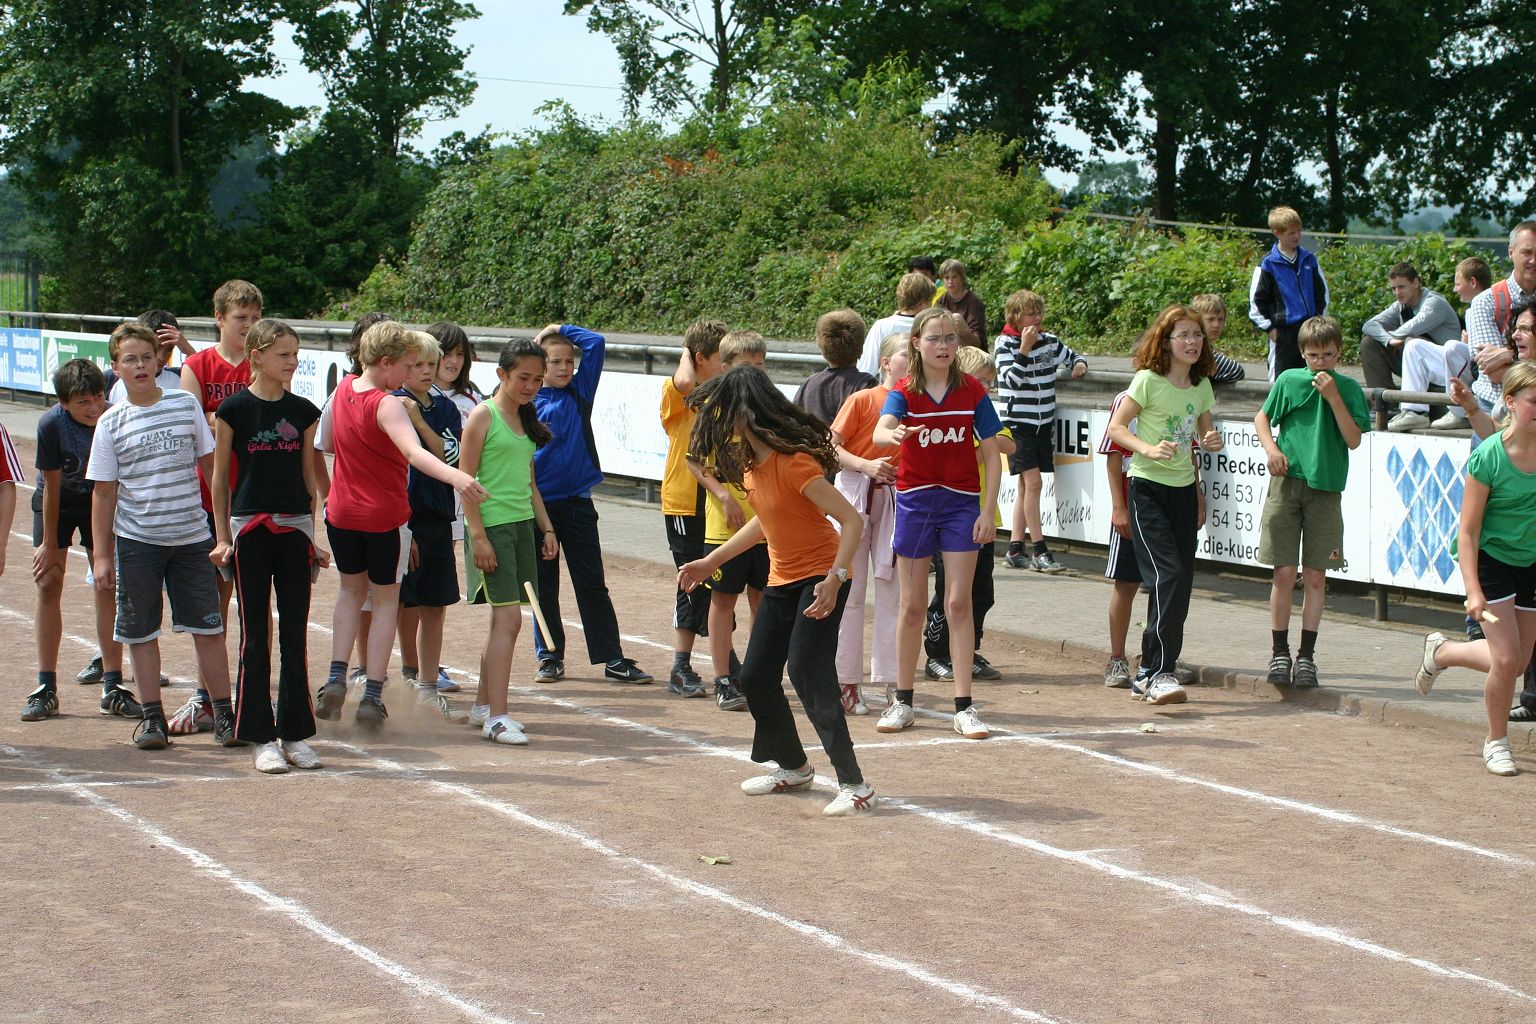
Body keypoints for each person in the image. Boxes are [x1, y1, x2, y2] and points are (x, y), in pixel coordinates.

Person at [677, 365, 876, 816]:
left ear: (745, 410)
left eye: (723, 410)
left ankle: (855, 783)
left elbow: (852, 521)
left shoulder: (795, 463)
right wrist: (712, 561)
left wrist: (836, 577)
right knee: (754, 677)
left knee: (807, 670)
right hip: (783, 579)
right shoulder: (752, 465)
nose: (716, 420)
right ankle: (794, 766)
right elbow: (765, 521)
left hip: (823, 576)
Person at [317, 321, 487, 731]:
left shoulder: (343, 390)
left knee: (350, 593)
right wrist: (458, 477)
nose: (411, 373)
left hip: (341, 513)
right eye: (407, 365)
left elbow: (330, 445)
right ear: (386, 362)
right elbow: (415, 453)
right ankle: (372, 695)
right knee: (386, 602)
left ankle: (336, 677)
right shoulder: (387, 403)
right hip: (383, 517)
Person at [87, 322, 237, 750]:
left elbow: (212, 469)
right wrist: (103, 556)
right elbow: (104, 492)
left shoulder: (185, 404)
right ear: (115, 367)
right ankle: (152, 717)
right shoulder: (110, 422)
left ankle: (224, 714)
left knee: (208, 627)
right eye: (129, 359)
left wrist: (222, 531)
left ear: (159, 361)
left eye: (146, 357)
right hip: (138, 542)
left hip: (192, 538)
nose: (139, 366)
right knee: (140, 631)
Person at [872, 306, 1003, 738]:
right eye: (934, 338)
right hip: (915, 503)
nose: (944, 346)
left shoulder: (972, 392)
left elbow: (992, 452)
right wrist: (892, 434)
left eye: (950, 338)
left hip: (961, 504)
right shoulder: (905, 391)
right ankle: (902, 701)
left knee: (958, 604)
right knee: (911, 606)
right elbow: (880, 430)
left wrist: (987, 510)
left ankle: (964, 707)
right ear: (917, 343)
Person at [209, 319, 329, 772]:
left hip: (294, 530)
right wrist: (223, 537)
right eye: (284, 354)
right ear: (257, 356)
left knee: (294, 635)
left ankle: (294, 733)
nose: (292, 362)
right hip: (250, 531)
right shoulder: (233, 410)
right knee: (254, 636)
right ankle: (260, 736)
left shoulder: (304, 411)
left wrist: (312, 536)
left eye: (296, 354)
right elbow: (220, 477)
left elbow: (308, 478)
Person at [1106, 305, 1225, 705]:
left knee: (1180, 584)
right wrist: (1148, 448)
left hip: (1183, 491)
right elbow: (1116, 428)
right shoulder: (1148, 380)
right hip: (1147, 489)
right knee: (1167, 576)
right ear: (1166, 341)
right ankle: (1156, 672)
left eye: (1197, 335)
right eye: (1184, 335)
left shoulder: (1201, 385)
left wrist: (1211, 441)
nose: (1193, 342)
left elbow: (1204, 433)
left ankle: (1153, 672)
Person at [529, 322, 652, 685]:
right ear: (540, 366)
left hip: (579, 504)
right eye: (555, 362)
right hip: (540, 507)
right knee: (544, 585)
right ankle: (550, 656)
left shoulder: (580, 392)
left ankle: (612, 657)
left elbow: (596, 343)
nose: (565, 368)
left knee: (592, 583)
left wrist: (558, 328)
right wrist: (534, 347)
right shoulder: (525, 401)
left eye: (569, 361)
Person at [1253, 316, 1369, 688]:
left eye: (1328, 355)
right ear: (1302, 352)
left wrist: (1333, 397)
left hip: (1326, 486)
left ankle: (1307, 656)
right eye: (1314, 355)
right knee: (1284, 572)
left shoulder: (1348, 388)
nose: (1321, 362)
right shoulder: (1289, 380)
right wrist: (1272, 450)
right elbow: (1262, 418)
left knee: (1316, 576)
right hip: (1287, 483)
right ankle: (1279, 652)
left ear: (1339, 353)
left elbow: (1353, 439)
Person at [1435, 361, 1536, 776]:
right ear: (1510, 402)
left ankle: (1442, 652)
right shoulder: (1489, 456)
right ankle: (1496, 741)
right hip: (1492, 560)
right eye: (1534, 401)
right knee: (1507, 660)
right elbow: (1468, 532)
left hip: (1531, 562)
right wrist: (1473, 589)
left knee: (1519, 661)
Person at [171, 278, 260, 736]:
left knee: (256, 602)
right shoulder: (197, 364)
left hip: (258, 494)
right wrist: (233, 419)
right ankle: (207, 696)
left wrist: (220, 418)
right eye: (241, 317)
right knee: (214, 600)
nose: (248, 325)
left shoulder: (264, 360)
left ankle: (249, 694)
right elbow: (192, 422)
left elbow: (269, 417)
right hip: (210, 497)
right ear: (220, 318)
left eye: (255, 317)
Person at [461, 340, 559, 746]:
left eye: (537, 379)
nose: (531, 386)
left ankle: (484, 707)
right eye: (523, 378)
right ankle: (497, 718)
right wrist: (478, 536)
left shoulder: (525, 418)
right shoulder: (482, 415)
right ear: (501, 374)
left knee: (503, 621)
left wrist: (547, 529)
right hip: (492, 528)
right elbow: (465, 482)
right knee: (510, 620)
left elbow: (529, 482)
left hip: (521, 528)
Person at [24, 359, 133, 722]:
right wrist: (49, 544)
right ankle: (45, 686)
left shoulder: (114, 417)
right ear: (64, 402)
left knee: (106, 583)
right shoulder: (51, 424)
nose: (93, 407)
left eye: (98, 397)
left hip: (99, 501)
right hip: (57, 501)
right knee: (48, 581)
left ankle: (113, 684)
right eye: (83, 402)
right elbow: (52, 486)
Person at [687, 330, 771, 711]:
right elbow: (694, 460)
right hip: (726, 527)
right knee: (723, 601)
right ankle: (723, 678)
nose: (756, 372)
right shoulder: (714, 410)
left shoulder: (768, 408)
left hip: (766, 525)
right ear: (726, 368)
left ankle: (758, 674)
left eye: (760, 365)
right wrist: (723, 496)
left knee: (763, 601)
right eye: (747, 365)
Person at [922, 343, 1014, 682]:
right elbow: (958, 455)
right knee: (949, 590)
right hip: (952, 515)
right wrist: (981, 445)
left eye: (990, 381)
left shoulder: (985, 413)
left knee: (981, 591)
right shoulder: (951, 413)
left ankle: (968, 649)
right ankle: (937, 653)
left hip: (984, 517)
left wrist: (982, 443)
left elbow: (1008, 444)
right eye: (981, 379)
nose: (986, 386)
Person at [391, 332, 470, 721]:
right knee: (403, 601)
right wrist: (402, 526)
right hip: (401, 516)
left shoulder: (444, 408)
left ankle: (427, 684)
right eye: (416, 365)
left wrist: (419, 420)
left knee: (435, 603)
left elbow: (450, 455)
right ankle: (403, 675)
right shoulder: (388, 403)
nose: (425, 371)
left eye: (430, 364)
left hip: (437, 516)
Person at [829, 333, 908, 717]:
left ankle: (895, 682)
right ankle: (847, 681)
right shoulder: (863, 399)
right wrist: (865, 465)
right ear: (886, 362)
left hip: (895, 497)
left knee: (893, 591)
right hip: (854, 492)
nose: (912, 360)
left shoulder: (917, 402)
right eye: (906, 353)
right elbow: (831, 446)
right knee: (850, 590)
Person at [994, 288, 1087, 574]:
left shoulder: (1050, 341)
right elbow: (1010, 380)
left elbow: (1073, 356)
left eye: (1039, 312)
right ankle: (1040, 550)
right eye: (1030, 313)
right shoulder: (1004, 343)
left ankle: (1015, 548)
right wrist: (1024, 348)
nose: (1037, 318)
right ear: (1016, 317)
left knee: (1026, 486)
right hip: (1017, 425)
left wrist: (1078, 364)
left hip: (1042, 424)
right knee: (1034, 484)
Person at [660, 319, 727, 697]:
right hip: (685, 503)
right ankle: (680, 664)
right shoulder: (676, 391)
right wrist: (687, 353)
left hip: (718, 502)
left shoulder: (722, 394)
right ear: (699, 357)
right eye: (720, 356)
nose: (726, 363)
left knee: (722, 581)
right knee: (691, 580)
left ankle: (726, 660)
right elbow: (685, 381)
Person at [1355, 263, 1463, 429]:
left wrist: (1395, 336)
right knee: (1369, 343)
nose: (1397, 293)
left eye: (1402, 287)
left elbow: (1411, 328)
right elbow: (1369, 325)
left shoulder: (1434, 303)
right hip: (1417, 365)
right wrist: (1388, 340)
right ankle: (1386, 406)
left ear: (1416, 283)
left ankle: (1416, 411)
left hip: (1446, 368)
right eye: (1393, 288)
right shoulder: (1400, 306)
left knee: (1412, 341)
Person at [1248, 206, 1329, 380]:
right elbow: (1256, 302)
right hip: (1283, 334)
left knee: (1313, 378)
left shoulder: (1309, 259)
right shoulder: (1267, 264)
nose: (1297, 236)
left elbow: (1322, 294)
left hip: (1309, 330)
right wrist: (1270, 329)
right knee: (1280, 380)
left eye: (1299, 231)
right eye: (1291, 233)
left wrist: (1318, 321)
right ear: (1277, 233)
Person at [1467, 222, 1536, 417]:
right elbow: (1493, 372)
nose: (1533, 260)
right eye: (1527, 252)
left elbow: (1502, 367)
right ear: (1511, 252)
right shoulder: (1486, 302)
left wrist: (1507, 355)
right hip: (1493, 409)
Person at [794, 309, 876, 424]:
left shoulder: (809, 384)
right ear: (861, 344)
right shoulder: (866, 384)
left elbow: (795, 422)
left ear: (822, 345)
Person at [857, 272, 937, 377]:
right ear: (923, 301)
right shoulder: (933, 327)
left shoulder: (882, 326)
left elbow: (867, 368)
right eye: (930, 300)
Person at [1187, 294, 1248, 384]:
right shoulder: (1194, 349)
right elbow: (1236, 371)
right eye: (1210, 319)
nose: (1216, 325)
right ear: (1197, 320)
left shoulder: (1208, 351)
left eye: (1220, 319)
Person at [938, 259, 987, 346]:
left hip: (972, 350)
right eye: (947, 278)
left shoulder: (974, 302)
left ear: (962, 278)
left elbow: (978, 342)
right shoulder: (941, 301)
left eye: (954, 277)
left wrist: (962, 330)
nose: (950, 281)